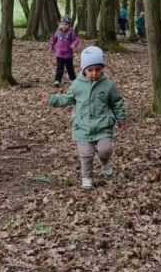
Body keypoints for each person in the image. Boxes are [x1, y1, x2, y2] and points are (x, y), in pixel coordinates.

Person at [41, 45, 126, 190]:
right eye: (90, 70)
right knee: (86, 154)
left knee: (105, 150)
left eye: (98, 70)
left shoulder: (107, 84)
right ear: (84, 69)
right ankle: (87, 178)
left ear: (102, 69)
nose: (94, 73)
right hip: (82, 127)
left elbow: (116, 102)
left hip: (103, 126)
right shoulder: (77, 85)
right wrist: (51, 99)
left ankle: (105, 163)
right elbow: (66, 99)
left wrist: (121, 118)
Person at [48, 15, 80, 87]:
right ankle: (57, 80)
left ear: (69, 25)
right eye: (62, 24)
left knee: (70, 68)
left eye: (66, 24)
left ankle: (73, 79)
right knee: (59, 68)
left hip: (68, 54)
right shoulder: (57, 31)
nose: (64, 26)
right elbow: (53, 39)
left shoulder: (71, 32)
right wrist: (51, 47)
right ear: (60, 24)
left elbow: (76, 40)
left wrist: (74, 44)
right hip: (59, 54)